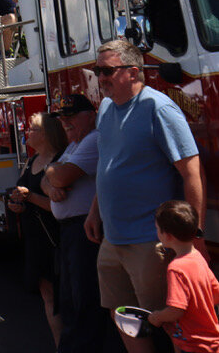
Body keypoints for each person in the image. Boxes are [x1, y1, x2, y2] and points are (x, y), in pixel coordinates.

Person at [85, 39, 203, 353]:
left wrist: (192, 238)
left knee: (170, 322)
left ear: (134, 72)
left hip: (151, 240)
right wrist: (95, 211)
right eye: (98, 70)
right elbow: (108, 164)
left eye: (107, 70)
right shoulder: (107, 108)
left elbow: (192, 172)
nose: (101, 77)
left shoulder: (158, 108)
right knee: (123, 316)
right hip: (113, 238)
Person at [44, 92, 105, 352]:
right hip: (70, 233)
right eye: (62, 118)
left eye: (71, 117)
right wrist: (50, 180)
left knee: (84, 300)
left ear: (90, 116)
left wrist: (51, 175)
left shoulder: (93, 140)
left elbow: (60, 175)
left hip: (85, 232)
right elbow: (50, 181)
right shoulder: (73, 145)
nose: (65, 123)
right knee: (69, 300)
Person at [7, 111, 67, 348]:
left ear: (46, 134)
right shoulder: (32, 162)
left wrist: (30, 197)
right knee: (47, 293)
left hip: (56, 237)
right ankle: (59, 344)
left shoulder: (60, 161)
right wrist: (16, 203)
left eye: (32, 129)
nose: (27, 132)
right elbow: (21, 193)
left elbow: (60, 206)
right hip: (35, 238)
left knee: (64, 295)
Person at [148, 200, 219, 352]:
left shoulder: (176, 268)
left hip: (193, 344)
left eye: (157, 229)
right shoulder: (198, 258)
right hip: (211, 342)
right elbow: (216, 294)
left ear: (167, 236)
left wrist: (158, 317)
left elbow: (176, 310)